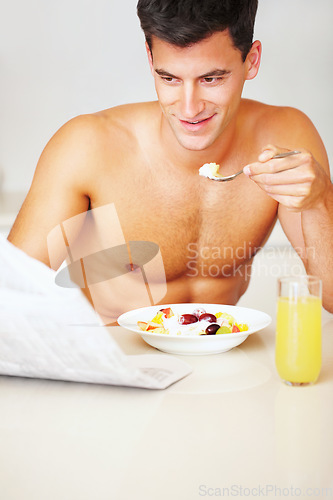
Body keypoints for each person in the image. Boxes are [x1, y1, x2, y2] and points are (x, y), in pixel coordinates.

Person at [7, 0, 333, 317]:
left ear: (252, 60)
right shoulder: (87, 147)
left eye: (211, 78)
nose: (189, 108)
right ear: (150, 60)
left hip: (223, 358)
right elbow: (9, 298)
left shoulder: (285, 136)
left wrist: (319, 202)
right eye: (169, 78)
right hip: (118, 365)